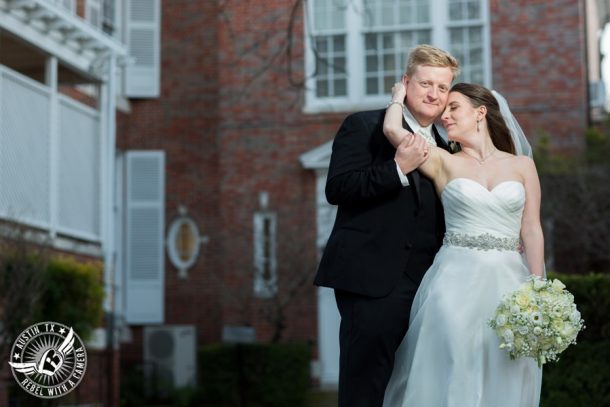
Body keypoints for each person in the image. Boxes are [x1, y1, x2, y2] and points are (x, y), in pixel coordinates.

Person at [382, 81, 544, 406]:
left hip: (509, 283)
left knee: (505, 370)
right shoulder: (443, 161)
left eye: (453, 107)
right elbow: (392, 130)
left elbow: (532, 229)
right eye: (444, 111)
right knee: (455, 364)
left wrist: (538, 290)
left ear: (480, 112)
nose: (445, 116)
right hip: (454, 281)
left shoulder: (522, 166)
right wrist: (398, 98)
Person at [314, 44, 460, 406]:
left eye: (442, 88)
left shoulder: (450, 149)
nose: (434, 94)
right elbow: (338, 188)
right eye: (426, 83)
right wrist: (397, 168)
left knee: (417, 388)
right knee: (366, 389)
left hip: (431, 288)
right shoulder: (364, 126)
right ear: (406, 82)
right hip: (372, 283)